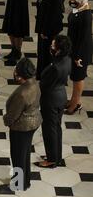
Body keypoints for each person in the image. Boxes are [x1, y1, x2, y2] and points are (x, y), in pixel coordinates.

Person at [3, 58, 41, 191]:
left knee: (18, 156)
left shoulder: (22, 94)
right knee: (24, 154)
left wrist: (6, 120)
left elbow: (13, 115)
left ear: (20, 76)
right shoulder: (34, 83)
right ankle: (25, 181)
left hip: (21, 127)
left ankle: (19, 184)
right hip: (33, 122)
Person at [36, 35, 72, 168]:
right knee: (56, 127)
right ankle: (56, 155)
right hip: (61, 96)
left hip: (50, 100)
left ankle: (51, 160)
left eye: (52, 45)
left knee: (49, 129)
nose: (50, 47)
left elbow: (44, 84)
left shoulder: (55, 67)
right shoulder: (67, 60)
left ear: (58, 50)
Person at [65, 0, 92, 115]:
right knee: (74, 76)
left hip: (80, 53)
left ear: (80, 0)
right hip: (74, 49)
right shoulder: (77, 10)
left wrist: (77, 57)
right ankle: (72, 100)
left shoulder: (86, 16)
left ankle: (76, 104)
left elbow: (83, 39)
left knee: (78, 78)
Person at [35, 0, 64, 80]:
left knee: (46, 53)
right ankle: (40, 73)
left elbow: (54, 17)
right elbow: (40, 8)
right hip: (42, 26)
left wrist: (45, 31)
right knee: (41, 52)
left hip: (48, 29)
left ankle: (46, 75)